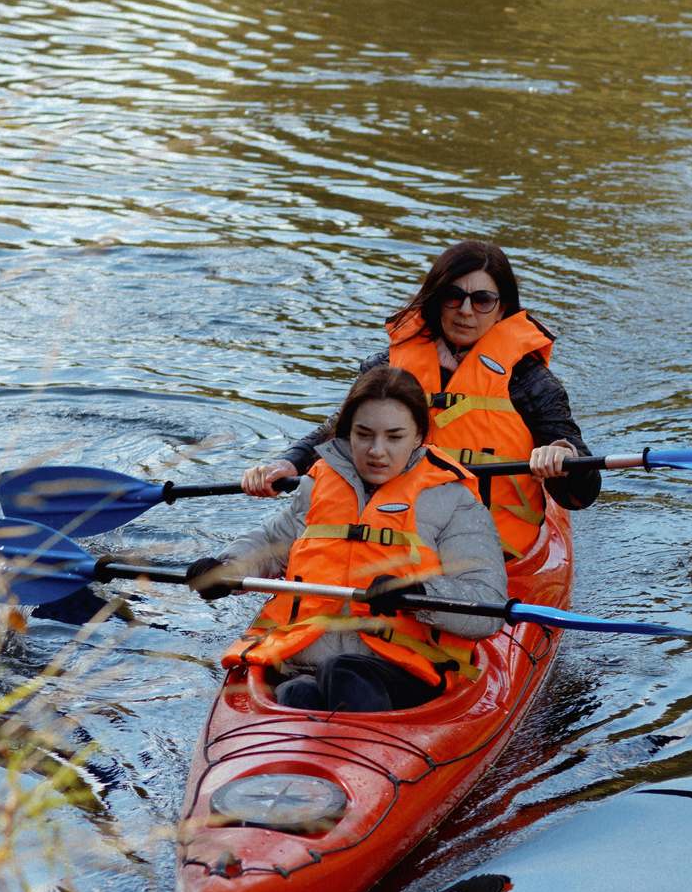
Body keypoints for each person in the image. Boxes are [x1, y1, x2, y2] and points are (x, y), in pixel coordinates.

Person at [240, 241, 598, 557]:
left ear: (502, 309)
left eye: (482, 300)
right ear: (437, 298)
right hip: (394, 540)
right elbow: (339, 433)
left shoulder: (530, 382)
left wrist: (564, 456)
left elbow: (582, 495)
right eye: (453, 296)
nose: (465, 310)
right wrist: (289, 463)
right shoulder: (388, 369)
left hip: (492, 552)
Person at [188, 366, 507, 714]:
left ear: (418, 435)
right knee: (297, 691)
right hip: (304, 662)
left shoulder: (455, 501)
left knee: (343, 673)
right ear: (348, 433)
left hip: (404, 672)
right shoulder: (317, 486)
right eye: (364, 434)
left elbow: (487, 609)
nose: (377, 451)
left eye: (394, 437)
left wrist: (420, 593)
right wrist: (227, 568)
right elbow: (272, 542)